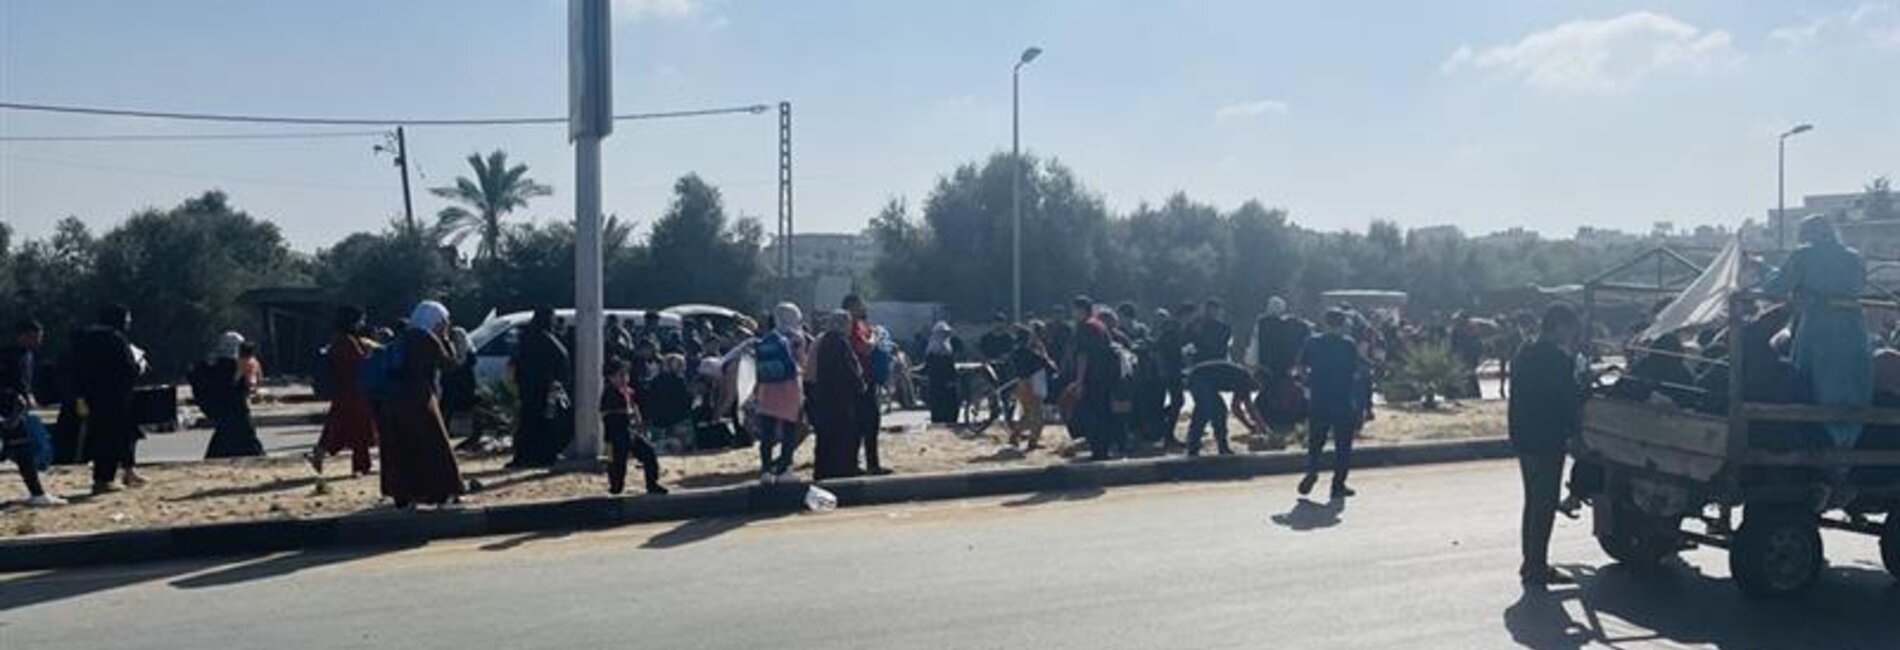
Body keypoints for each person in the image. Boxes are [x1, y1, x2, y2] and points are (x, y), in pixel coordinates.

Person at [1759, 215, 1873, 450]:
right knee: (1854, 387)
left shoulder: (1804, 254)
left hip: (1820, 330)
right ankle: (1848, 451)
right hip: (1855, 331)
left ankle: (1820, 455)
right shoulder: (1853, 258)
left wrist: (1761, 268)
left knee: (1813, 386)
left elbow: (1776, 287)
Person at [1508, 303, 1585, 587]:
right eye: (1570, 329)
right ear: (1559, 327)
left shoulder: (1524, 353)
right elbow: (1567, 402)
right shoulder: (1557, 360)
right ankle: (1536, 566)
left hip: (1524, 437)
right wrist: (1575, 435)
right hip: (1546, 440)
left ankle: (1531, 561)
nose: (1572, 335)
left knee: (1533, 502)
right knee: (1544, 503)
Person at [379, 301, 466, 509]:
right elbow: (449, 364)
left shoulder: (405, 336)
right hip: (419, 399)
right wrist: (446, 339)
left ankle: (405, 495)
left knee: (403, 448)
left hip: (393, 400)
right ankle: (443, 493)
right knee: (435, 447)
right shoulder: (425, 338)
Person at [72, 305, 145, 495]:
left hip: (91, 395)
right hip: (114, 395)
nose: (129, 323)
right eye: (127, 319)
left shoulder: (84, 338)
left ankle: (117, 474)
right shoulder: (115, 339)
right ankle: (104, 480)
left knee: (102, 436)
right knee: (112, 437)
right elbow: (128, 368)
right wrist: (139, 365)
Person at [1297, 309, 1363, 499]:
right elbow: (1355, 372)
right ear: (1343, 325)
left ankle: (1312, 471)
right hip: (1342, 400)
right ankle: (1338, 485)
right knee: (1343, 446)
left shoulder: (1313, 342)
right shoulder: (1348, 344)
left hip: (1319, 399)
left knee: (1315, 441)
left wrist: (1307, 382)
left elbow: (1300, 366)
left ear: (1325, 322)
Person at [738, 303, 808, 482]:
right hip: (789, 391)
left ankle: (766, 471)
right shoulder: (796, 338)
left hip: (767, 392)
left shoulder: (768, 338)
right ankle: (784, 470)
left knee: (767, 435)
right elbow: (802, 363)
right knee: (789, 431)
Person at [311, 307, 379, 475]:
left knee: (349, 427)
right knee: (351, 427)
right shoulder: (346, 341)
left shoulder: (341, 339)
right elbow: (357, 363)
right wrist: (369, 353)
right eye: (360, 320)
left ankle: (361, 465)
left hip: (349, 390)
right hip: (352, 391)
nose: (362, 324)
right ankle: (323, 453)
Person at [1, 320, 61, 505]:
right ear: (21, 336)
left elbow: (23, 383)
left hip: (16, 410)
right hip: (7, 409)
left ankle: (38, 493)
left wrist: (28, 396)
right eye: (34, 337)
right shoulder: (7, 356)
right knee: (21, 450)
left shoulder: (28, 355)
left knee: (21, 450)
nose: (37, 342)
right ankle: (37, 494)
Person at [509, 306, 571, 468]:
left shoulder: (526, 336)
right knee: (544, 423)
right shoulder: (546, 338)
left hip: (527, 388)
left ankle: (523, 456)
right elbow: (562, 356)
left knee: (526, 423)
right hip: (542, 389)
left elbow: (517, 360)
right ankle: (542, 456)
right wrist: (558, 378)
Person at [1066, 298, 1123, 460]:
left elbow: (1083, 355)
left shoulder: (1085, 328)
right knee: (1102, 414)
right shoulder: (1100, 326)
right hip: (1104, 378)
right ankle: (1103, 449)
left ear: (1082, 310)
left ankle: (1097, 450)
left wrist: (1079, 381)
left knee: (1088, 415)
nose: (1073, 314)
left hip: (1092, 378)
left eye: (1075, 310)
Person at [811, 310, 865, 479]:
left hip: (824, 396)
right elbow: (848, 370)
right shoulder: (841, 342)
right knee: (844, 435)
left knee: (825, 436)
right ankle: (844, 469)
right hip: (840, 398)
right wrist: (859, 385)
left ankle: (823, 470)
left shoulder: (824, 340)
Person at [193, 332, 264, 459]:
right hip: (237, 414)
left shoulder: (220, 366)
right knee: (249, 446)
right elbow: (238, 386)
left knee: (222, 445)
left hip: (228, 416)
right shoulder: (231, 366)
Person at [602, 359, 667, 495]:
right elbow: (609, 415)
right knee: (617, 463)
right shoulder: (609, 393)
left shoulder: (629, 392)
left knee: (648, 453)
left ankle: (652, 484)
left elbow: (634, 409)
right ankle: (616, 488)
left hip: (631, 432)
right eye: (620, 375)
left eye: (626, 375)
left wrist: (638, 424)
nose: (625, 379)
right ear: (610, 377)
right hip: (615, 434)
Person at [1247, 296, 1311, 433]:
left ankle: (1269, 419)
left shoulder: (1262, 323)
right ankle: (1292, 418)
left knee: (1268, 393)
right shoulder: (1296, 324)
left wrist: (1252, 363)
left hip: (1268, 366)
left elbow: (1255, 343)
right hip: (1288, 367)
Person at [843, 295, 889, 475]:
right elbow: (865, 348)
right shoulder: (851, 326)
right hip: (859, 381)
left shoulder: (863, 324)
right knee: (861, 424)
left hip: (870, 379)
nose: (863, 307)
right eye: (859, 304)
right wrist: (876, 339)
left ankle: (872, 463)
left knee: (872, 424)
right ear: (851, 307)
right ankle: (858, 464)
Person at [1006, 324, 1057, 449]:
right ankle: (1033, 441)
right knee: (1038, 417)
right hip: (1031, 385)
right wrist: (1042, 350)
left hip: (1020, 384)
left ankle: (1015, 435)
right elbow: (1050, 366)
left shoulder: (1015, 352)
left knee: (1027, 414)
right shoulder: (1030, 354)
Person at [644, 354, 694, 449]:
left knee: (659, 447)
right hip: (678, 419)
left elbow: (650, 400)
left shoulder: (655, 380)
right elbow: (685, 401)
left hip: (658, 420)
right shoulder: (679, 381)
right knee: (683, 447)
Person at [924, 322, 961, 425]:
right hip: (937, 385)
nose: (945, 336)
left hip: (948, 384)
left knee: (951, 409)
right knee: (938, 411)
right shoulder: (932, 349)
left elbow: (950, 367)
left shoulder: (948, 348)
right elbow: (928, 367)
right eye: (943, 333)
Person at [1188, 299, 1232, 366]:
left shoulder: (1224, 328)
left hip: (1216, 362)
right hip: (1199, 362)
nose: (1211, 311)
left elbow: (1224, 347)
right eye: (1208, 309)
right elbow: (1192, 341)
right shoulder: (1197, 324)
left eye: (1214, 309)